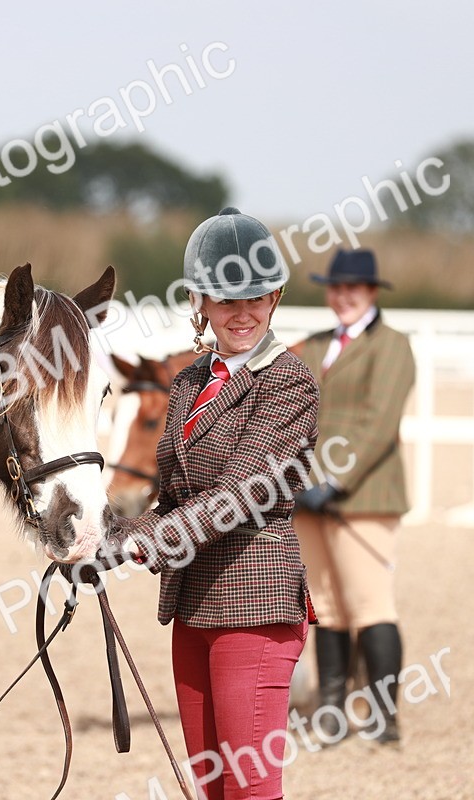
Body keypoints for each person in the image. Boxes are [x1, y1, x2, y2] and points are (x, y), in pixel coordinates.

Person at [118, 208, 319, 800]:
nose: (243, 312)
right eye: (227, 299)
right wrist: (108, 536)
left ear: (276, 296)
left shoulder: (287, 382)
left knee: (251, 788)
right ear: (199, 301)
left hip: (255, 605)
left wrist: (144, 541)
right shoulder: (186, 382)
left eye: (257, 296)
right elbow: (177, 497)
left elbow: (238, 495)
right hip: (194, 607)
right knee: (212, 789)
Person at [292, 249, 416, 747]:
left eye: (354, 289)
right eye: (336, 288)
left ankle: (384, 716)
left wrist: (335, 481)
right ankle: (332, 708)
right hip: (307, 495)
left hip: (364, 494)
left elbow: (379, 422)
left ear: (371, 292)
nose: (343, 296)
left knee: (370, 604)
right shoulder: (315, 345)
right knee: (325, 606)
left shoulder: (391, 346)